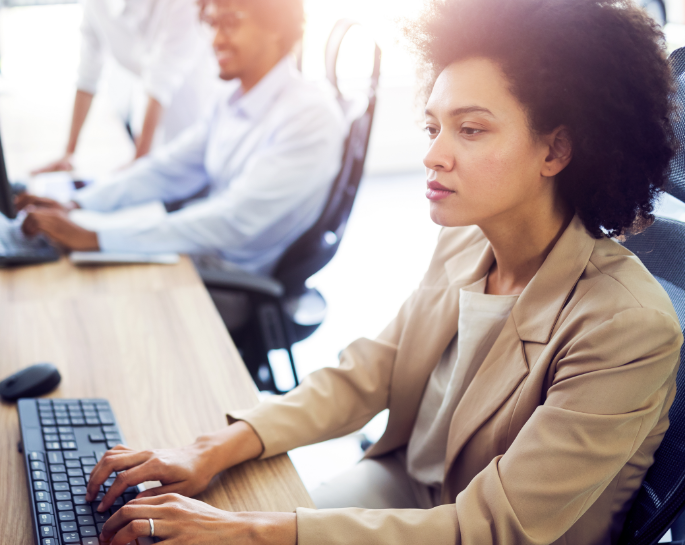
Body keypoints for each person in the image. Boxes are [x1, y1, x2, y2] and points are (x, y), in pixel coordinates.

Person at [82, 0, 683, 543]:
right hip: (405, 495)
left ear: (555, 150)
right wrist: (209, 450)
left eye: (470, 129)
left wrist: (247, 530)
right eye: (433, 126)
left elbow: (490, 528)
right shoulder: (467, 244)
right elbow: (373, 368)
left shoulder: (626, 327)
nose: (432, 154)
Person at [17, 0, 346, 276]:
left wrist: (95, 235)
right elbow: (167, 169)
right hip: (202, 254)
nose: (215, 40)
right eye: (211, 23)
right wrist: (80, 202)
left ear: (276, 25)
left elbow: (230, 221)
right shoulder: (231, 97)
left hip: (231, 278)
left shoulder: (310, 118)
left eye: (230, 23)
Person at [33, 0, 217, 173]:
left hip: (194, 111)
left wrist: (138, 161)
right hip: (146, 114)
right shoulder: (96, 5)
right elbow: (87, 75)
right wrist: (69, 153)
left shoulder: (184, 4)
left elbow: (163, 79)